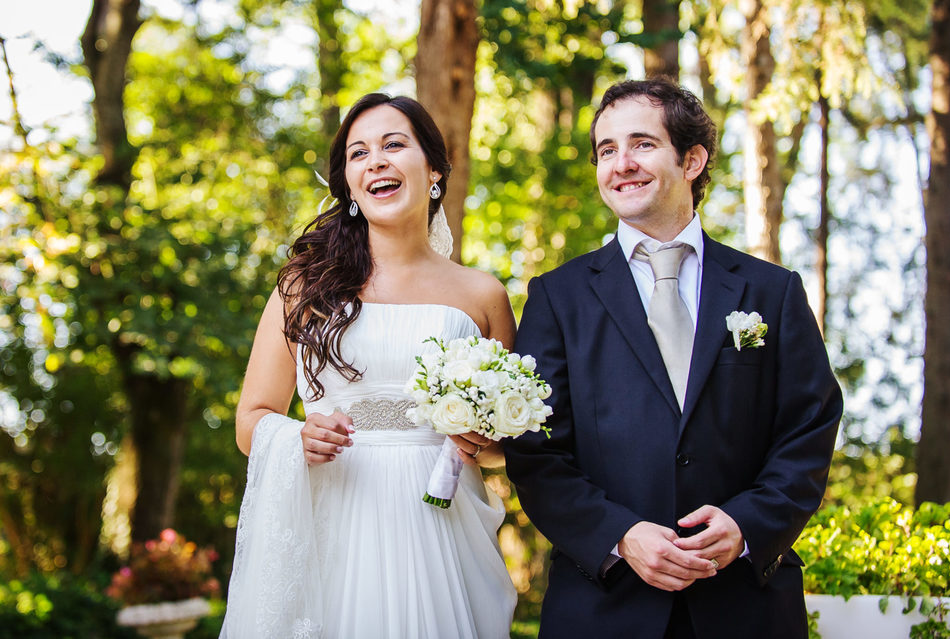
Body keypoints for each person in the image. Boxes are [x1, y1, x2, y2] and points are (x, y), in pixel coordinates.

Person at [503, 78, 843, 638]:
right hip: (603, 607)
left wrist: (747, 524)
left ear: (692, 159)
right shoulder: (556, 297)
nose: (621, 164)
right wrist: (621, 534)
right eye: (606, 150)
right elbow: (537, 452)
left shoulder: (771, 291)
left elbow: (809, 426)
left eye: (641, 144)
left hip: (745, 606)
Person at [219, 93, 517, 639]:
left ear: (433, 169)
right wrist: (296, 437)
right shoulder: (303, 287)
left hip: (442, 524)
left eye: (393, 144)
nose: (375, 160)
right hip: (333, 518)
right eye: (359, 153)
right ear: (351, 185)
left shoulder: (483, 294)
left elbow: (506, 446)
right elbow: (251, 418)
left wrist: (481, 440)